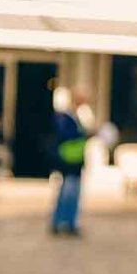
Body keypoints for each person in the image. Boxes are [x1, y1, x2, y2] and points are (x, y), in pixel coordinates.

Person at [48, 87, 87, 237]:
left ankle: (69, 223)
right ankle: (59, 222)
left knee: (72, 193)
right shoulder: (65, 117)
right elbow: (65, 135)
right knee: (67, 193)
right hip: (68, 161)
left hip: (75, 161)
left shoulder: (78, 116)